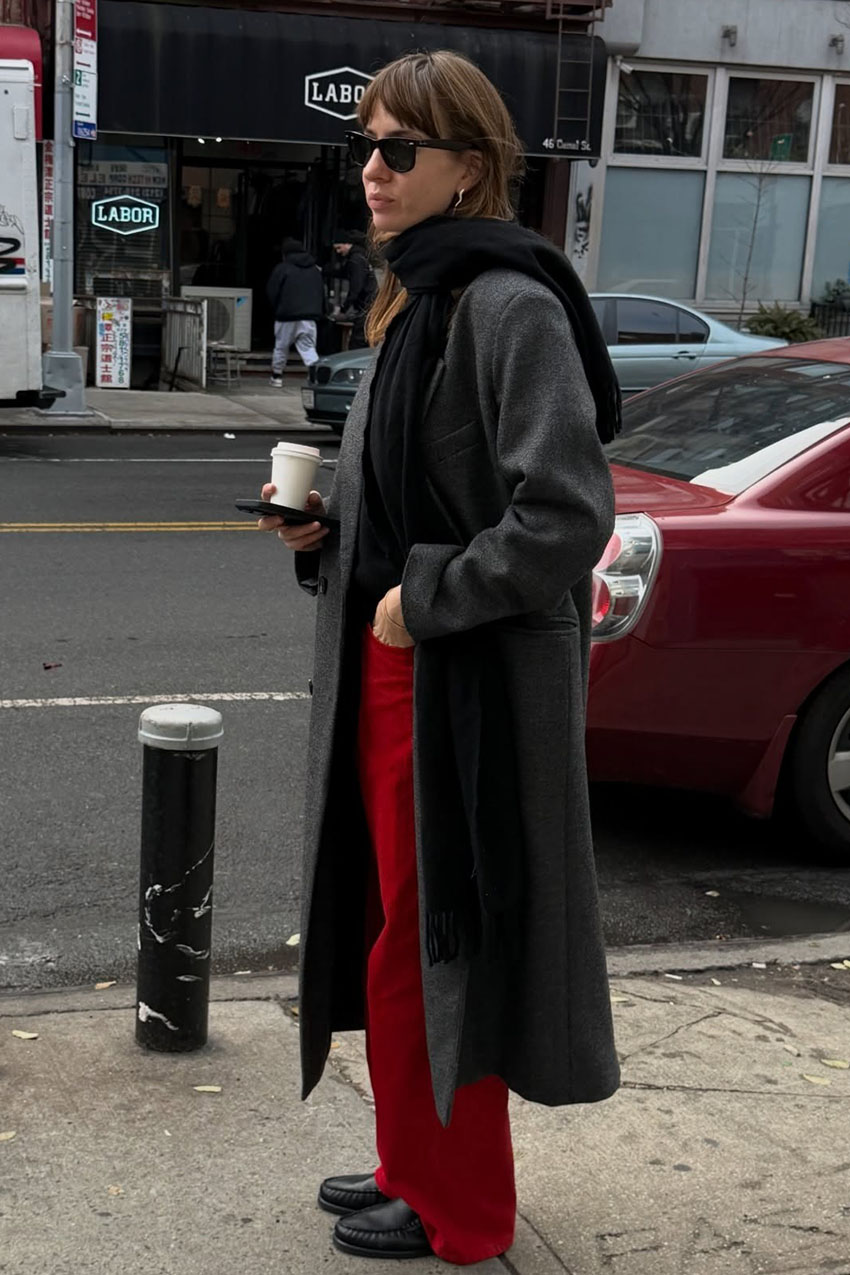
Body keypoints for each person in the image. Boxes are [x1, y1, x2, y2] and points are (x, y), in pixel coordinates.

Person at [258, 49, 621, 1267]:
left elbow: (565, 513)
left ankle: (459, 1206)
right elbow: (409, 493)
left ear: (470, 165)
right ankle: (411, 1159)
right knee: (393, 931)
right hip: (396, 675)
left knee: (439, 936)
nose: (373, 169)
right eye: (365, 144)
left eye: (400, 149)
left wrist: (427, 599)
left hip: (455, 685)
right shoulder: (417, 291)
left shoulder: (507, 301)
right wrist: (325, 534)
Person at [265, 237, 324, 386]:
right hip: (309, 317)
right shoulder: (314, 269)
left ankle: (277, 376)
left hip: (286, 316)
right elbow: (320, 292)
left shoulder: (283, 268)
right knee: (308, 348)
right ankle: (315, 376)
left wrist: (277, 308)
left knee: (281, 346)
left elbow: (272, 291)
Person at [329, 230, 377, 348]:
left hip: (365, 305)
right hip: (368, 304)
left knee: (358, 341)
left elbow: (356, 287)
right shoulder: (360, 257)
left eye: (339, 248)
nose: (338, 252)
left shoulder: (355, 260)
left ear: (347, 244)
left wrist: (344, 308)